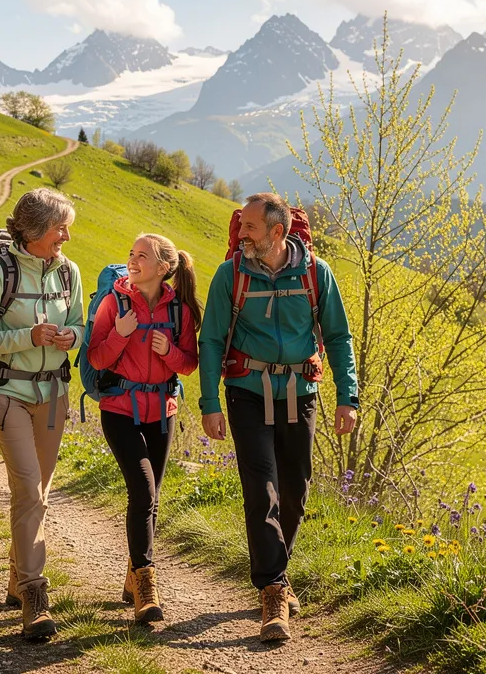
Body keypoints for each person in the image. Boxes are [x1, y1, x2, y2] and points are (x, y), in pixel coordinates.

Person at [197, 193, 359, 643]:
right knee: (261, 488)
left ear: (277, 232)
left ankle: (276, 573)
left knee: (296, 488)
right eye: (241, 225)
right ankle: (272, 589)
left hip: (301, 391)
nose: (240, 234)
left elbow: (339, 336)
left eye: (249, 227)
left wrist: (349, 397)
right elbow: (210, 340)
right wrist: (210, 403)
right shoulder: (230, 274)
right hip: (247, 391)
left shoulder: (314, 273)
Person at [0, 188, 84, 641]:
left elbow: (79, 322)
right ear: (34, 231)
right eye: (60, 229)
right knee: (29, 488)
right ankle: (35, 592)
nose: (66, 237)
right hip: (6, 392)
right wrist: (28, 337)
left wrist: (70, 337)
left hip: (53, 395)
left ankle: (17, 579)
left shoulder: (68, 272)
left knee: (40, 490)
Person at [86, 234, 200, 624]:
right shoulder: (113, 302)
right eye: (130, 254)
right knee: (143, 490)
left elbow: (188, 364)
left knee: (151, 498)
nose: (132, 262)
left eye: (142, 257)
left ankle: (133, 575)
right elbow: (97, 358)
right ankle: (147, 583)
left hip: (162, 411)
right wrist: (120, 331)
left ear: (164, 267)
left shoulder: (180, 311)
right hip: (119, 409)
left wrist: (169, 353)